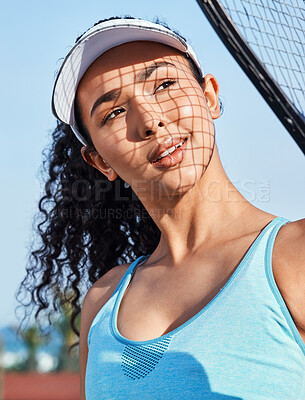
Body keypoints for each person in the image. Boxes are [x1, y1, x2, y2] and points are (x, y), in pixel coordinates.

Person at [21, 16, 305, 399]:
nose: (150, 121)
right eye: (114, 113)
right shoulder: (102, 302)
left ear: (209, 96)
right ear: (100, 162)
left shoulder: (293, 255)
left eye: (165, 84)